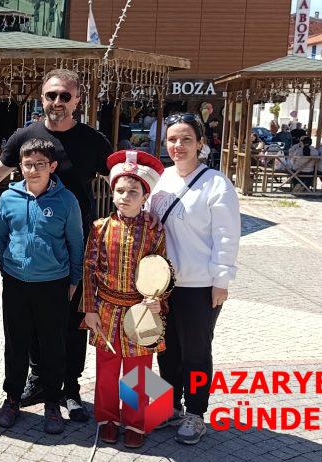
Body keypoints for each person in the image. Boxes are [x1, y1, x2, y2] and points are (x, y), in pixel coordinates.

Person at [0, 68, 112, 420]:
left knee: (71, 323)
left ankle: (70, 388)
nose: (57, 101)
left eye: (65, 95)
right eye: (51, 95)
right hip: (30, 258)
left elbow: (121, 179)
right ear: (42, 98)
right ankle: (37, 381)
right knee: (30, 325)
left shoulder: (93, 140)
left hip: (74, 248)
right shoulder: (25, 137)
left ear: (78, 100)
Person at [147, 113, 240, 445]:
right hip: (163, 285)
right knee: (165, 349)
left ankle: (196, 413)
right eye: (172, 139)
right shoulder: (162, 179)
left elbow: (227, 236)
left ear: (200, 143)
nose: (178, 146)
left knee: (196, 352)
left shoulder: (216, 183)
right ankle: (170, 406)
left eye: (186, 139)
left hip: (199, 285)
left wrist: (221, 280)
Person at [0, 138, 83, 435]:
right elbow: (0, 238)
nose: (33, 170)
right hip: (17, 283)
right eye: (28, 164)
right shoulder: (8, 198)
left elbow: (75, 243)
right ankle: (12, 399)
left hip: (54, 283)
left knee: (53, 344)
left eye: (40, 164)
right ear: (20, 166)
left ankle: (52, 402)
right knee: (16, 344)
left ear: (52, 166)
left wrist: (73, 280)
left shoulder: (66, 200)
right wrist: (8, 270)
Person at [82, 150, 168, 449]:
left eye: (133, 192)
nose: (125, 197)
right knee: (107, 368)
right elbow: (89, 269)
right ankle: (107, 418)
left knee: (138, 371)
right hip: (106, 309)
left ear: (145, 196)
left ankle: (135, 421)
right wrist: (90, 310)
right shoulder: (99, 228)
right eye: (120, 190)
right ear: (112, 192)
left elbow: (163, 269)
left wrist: (158, 300)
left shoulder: (155, 231)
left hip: (141, 311)